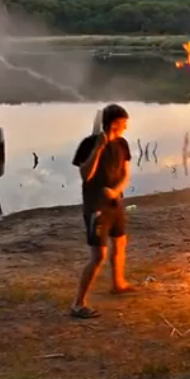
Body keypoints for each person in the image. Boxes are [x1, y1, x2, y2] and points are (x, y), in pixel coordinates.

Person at [70, 104, 134, 318]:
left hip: (115, 202)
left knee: (120, 242)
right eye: (123, 123)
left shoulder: (122, 144)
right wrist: (98, 149)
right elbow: (85, 176)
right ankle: (78, 304)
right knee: (98, 256)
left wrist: (116, 191)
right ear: (114, 123)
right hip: (95, 207)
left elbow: (126, 174)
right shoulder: (89, 144)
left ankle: (118, 283)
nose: (126, 126)